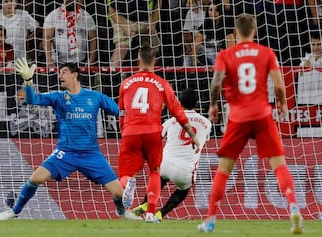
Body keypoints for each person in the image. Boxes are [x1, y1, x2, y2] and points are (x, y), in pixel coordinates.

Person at [0, 58, 141, 220]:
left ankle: (121, 211)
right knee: (35, 178)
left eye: (64, 72)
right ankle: (15, 211)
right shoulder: (58, 97)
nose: (60, 76)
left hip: (91, 154)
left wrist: (136, 118)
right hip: (65, 152)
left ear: (74, 75)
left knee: (119, 193)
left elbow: (119, 112)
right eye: (59, 73)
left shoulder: (95, 97)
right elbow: (32, 99)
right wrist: (28, 82)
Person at [197, 14, 304, 234]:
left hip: (237, 116)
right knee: (279, 165)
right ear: (255, 31)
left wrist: (213, 105)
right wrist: (282, 104)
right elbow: (279, 85)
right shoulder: (266, 53)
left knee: (224, 169)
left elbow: (217, 82)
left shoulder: (226, 54)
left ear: (235, 32)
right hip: (263, 114)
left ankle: (210, 220)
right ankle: (294, 206)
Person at [118, 46, 201, 223]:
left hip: (130, 131)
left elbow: (122, 113)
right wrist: (190, 133)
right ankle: (150, 213)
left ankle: (127, 186)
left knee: (127, 173)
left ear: (138, 61)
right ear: (155, 61)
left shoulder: (126, 84)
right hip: (152, 131)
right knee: (155, 171)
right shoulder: (162, 84)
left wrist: (123, 130)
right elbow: (177, 111)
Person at [132, 88, 212, 221]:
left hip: (165, 162)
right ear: (197, 103)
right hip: (185, 169)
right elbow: (203, 139)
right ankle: (160, 213)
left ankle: (146, 203)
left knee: (159, 179)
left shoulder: (171, 120)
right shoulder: (207, 123)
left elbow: (158, 136)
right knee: (183, 190)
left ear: (179, 103)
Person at [107, 0, 162, 68]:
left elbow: (158, 3)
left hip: (145, 18)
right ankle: (113, 74)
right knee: (122, 47)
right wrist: (125, 28)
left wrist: (153, 24)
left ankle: (150, 74)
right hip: (123, 19)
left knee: (153, 47)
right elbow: (112, 11)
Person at [43, 0, 97, 68]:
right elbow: (46, 38)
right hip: (58, 62)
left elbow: (93, 39)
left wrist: (91, 60)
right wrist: (49, 60)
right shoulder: (53, 15)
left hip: (81, 61)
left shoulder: (86, 16)